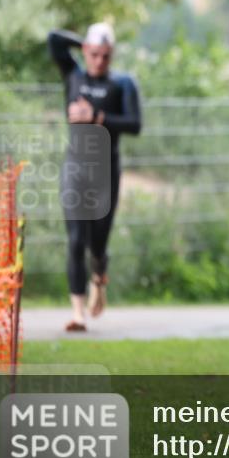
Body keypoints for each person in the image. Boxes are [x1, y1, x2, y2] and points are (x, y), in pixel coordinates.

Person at [47, 23, 142, 332]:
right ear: (86, 51)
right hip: (75, 169)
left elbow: (135, 124)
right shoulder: (73, 75)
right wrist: (84, 42)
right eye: (94, 53)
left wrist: (97, 117)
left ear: (112, 55)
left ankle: (99, 276)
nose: (99, 60)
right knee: (76, 240)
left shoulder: (123, 83)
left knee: (96, 245)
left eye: (105, 55)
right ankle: (77, 314)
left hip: (106, 172)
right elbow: (53, 39)